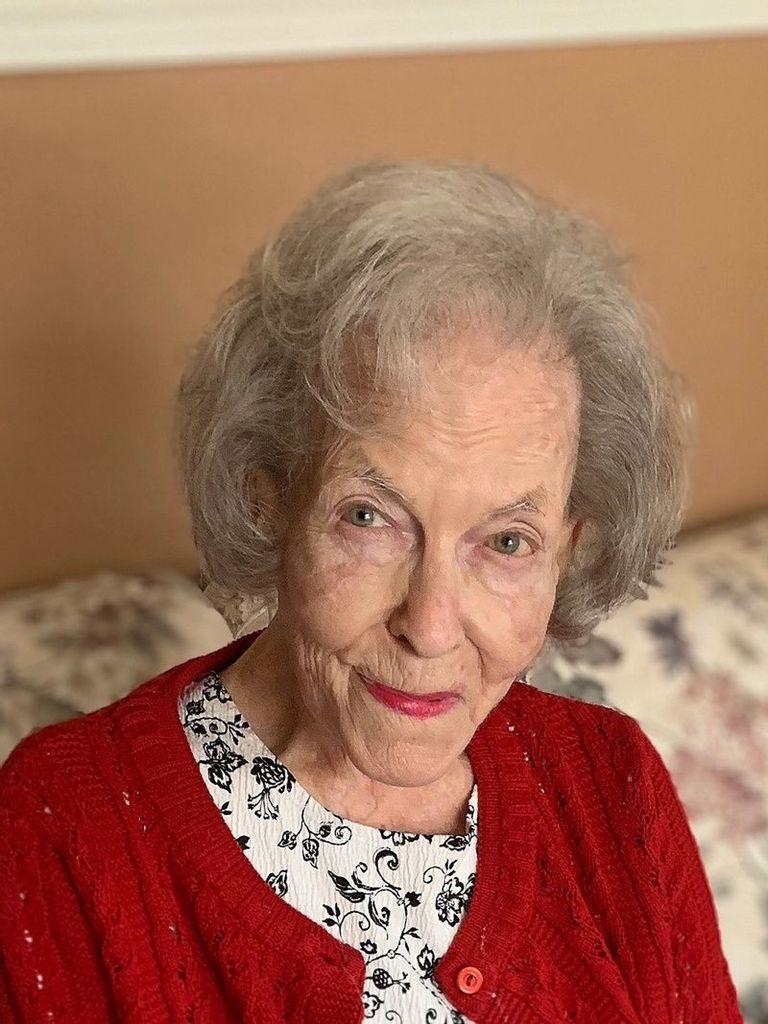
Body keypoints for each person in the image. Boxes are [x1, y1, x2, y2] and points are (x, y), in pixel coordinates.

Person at [0, 161, 742, 1023]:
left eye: (507, 541)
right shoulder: (60, 832)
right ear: (269, 500)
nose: (430, 627)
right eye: (370, 518)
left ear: (567, 553)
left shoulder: (614, 785)